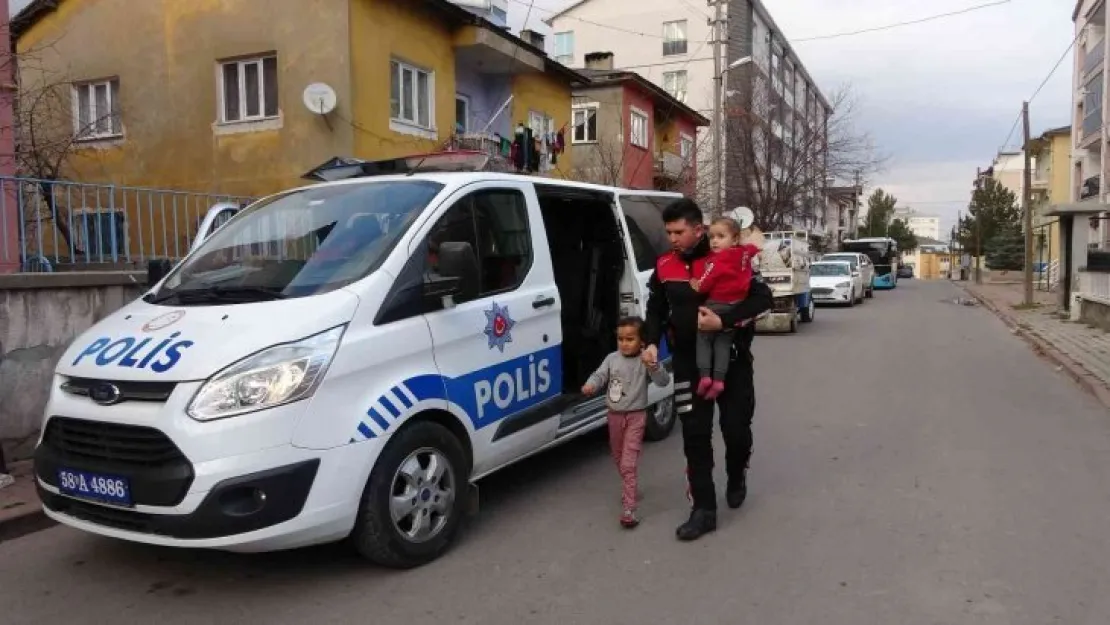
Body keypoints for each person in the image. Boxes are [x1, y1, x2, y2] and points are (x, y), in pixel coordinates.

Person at [641, 199, 773, 542]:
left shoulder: (727, 257)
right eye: (668, 232)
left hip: (732, 361)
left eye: (679, 232)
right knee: (695, 436)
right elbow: (655, 307)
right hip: (688, 364)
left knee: (735, 430)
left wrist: (724, 320)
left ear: (698, 229)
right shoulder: (665, 264)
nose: (672, 238)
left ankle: (737, 473)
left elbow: (763, 300)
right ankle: (703, 510)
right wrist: (651, 341)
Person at [582, 316, 671, 529]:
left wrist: (654, 365)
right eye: (620, 339)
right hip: (614, 416)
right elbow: (600, 375)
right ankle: (630, 486)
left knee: (628, 463)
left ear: (641, 341)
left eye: (629, 339)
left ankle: (629, 508)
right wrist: (590, 385)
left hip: (636, 416)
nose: (624, 343)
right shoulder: (612, 359)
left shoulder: (644, 360)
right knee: (618, 457)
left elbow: (663, 381)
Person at [690, 217, 764, 400]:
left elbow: (706, 283)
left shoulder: (717, 260)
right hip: (736, 305)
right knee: (723, 342)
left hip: (716, 303)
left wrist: (696, 285)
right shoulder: (745, 252)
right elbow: (755, 247)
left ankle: (706, 376)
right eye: (712, 237)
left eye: (720, 236)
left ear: (735, 239)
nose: (714, 241)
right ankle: (719, 381)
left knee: (703, 338)